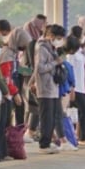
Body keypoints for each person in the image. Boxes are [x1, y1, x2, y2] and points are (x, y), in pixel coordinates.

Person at [33, 24, 66, 154]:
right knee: (46, 117)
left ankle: (48, 142)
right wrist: (55, 63)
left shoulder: (50, 48)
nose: (59, 40)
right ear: (51, 36)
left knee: (51, 117)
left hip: (52, 87)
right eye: (58, 37)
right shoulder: (41, 48)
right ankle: (43, 144)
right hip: (45, 87)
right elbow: (40, 68)